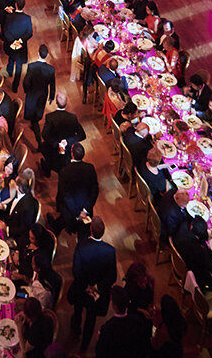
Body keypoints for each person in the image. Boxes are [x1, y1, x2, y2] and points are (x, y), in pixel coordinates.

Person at [69, 217, 116, 353]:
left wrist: (86, 287)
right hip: (97, 295)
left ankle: (75, 329)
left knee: (77, 310)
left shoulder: (81, 246)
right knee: (91, 319)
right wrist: (97, 287)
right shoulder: (110, 251)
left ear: (90, 230)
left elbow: (76, 271)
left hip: (81, 290)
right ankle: (83, 348)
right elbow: (112, 277)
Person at [49, 143, 99, 236]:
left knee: (61, 223)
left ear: (72, 154)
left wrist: (77, 212)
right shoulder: (90, 168)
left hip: (70, 210)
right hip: (86, 210)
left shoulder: (65, 171)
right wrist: (85, 210)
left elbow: (64, 194)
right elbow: (95, 190)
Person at [93, 286, 151, 358]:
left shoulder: (107, 328)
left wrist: (99, 339)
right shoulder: (137, 321)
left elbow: (100, 353)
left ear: (114, 306)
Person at [40, 93, 86, 176]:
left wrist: (57, 144)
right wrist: (68, 141)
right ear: (66, 103)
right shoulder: (72, 117)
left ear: (56, 103)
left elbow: (44, 134)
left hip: (53, 149)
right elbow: (81, 135)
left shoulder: (50, 117)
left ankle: (47, 170)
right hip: (68, 150)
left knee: (44, 147)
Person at [22, 44, 56, 144]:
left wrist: (26, 90)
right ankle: (35, 123)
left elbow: (26, 82)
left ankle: (36, 131)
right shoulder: (51, 69)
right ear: (48, 55)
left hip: (32, 93)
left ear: (38, 53)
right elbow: (52, 84)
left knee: (31, 110)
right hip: (43, 94)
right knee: (38, 111)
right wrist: (51, 96)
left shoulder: (31, 67)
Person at [2, 0, 33, 91]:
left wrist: (13, 41)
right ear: (23, 6)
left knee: (11, 58)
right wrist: (20, 40)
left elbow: (5, 31)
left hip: (11, 44)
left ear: (15, 5)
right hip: (21, 46)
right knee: (19, 67)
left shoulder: (9, 17)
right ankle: (15, 87)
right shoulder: (27, 18)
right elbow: (29, 33)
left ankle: (9, 72)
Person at [1, 171, 39, 243]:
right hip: (8, 220)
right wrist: (3, 207)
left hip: (14, 236)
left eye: (16, 183)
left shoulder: (27, 207)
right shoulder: (21, 193)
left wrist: (6, 229)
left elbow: (24, 229)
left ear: (19, 187)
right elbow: (12, 206)